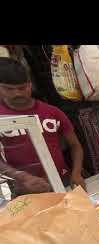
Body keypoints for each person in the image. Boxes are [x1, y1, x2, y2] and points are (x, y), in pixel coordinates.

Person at [0, 57, 86, 194]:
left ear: (30, 84)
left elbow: (75, 145)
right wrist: (22, 177)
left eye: (22, 88)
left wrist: (76, 173)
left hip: (61, 181)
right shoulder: (2, 120)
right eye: (9, 89)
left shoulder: (52, 112)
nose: (17, 93)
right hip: (24, 189)